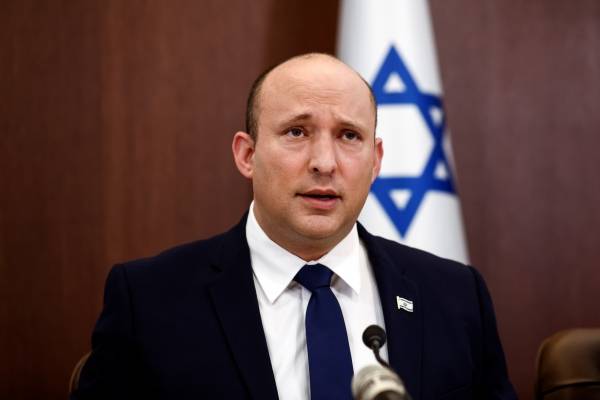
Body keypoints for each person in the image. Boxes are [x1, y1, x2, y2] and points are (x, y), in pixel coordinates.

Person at [72, 53, 517, 400]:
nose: (324, 163)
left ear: (376, 161)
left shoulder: (455, 296)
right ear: (247, 155)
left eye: (349, 136)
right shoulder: (150, 300)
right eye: (297, 132)